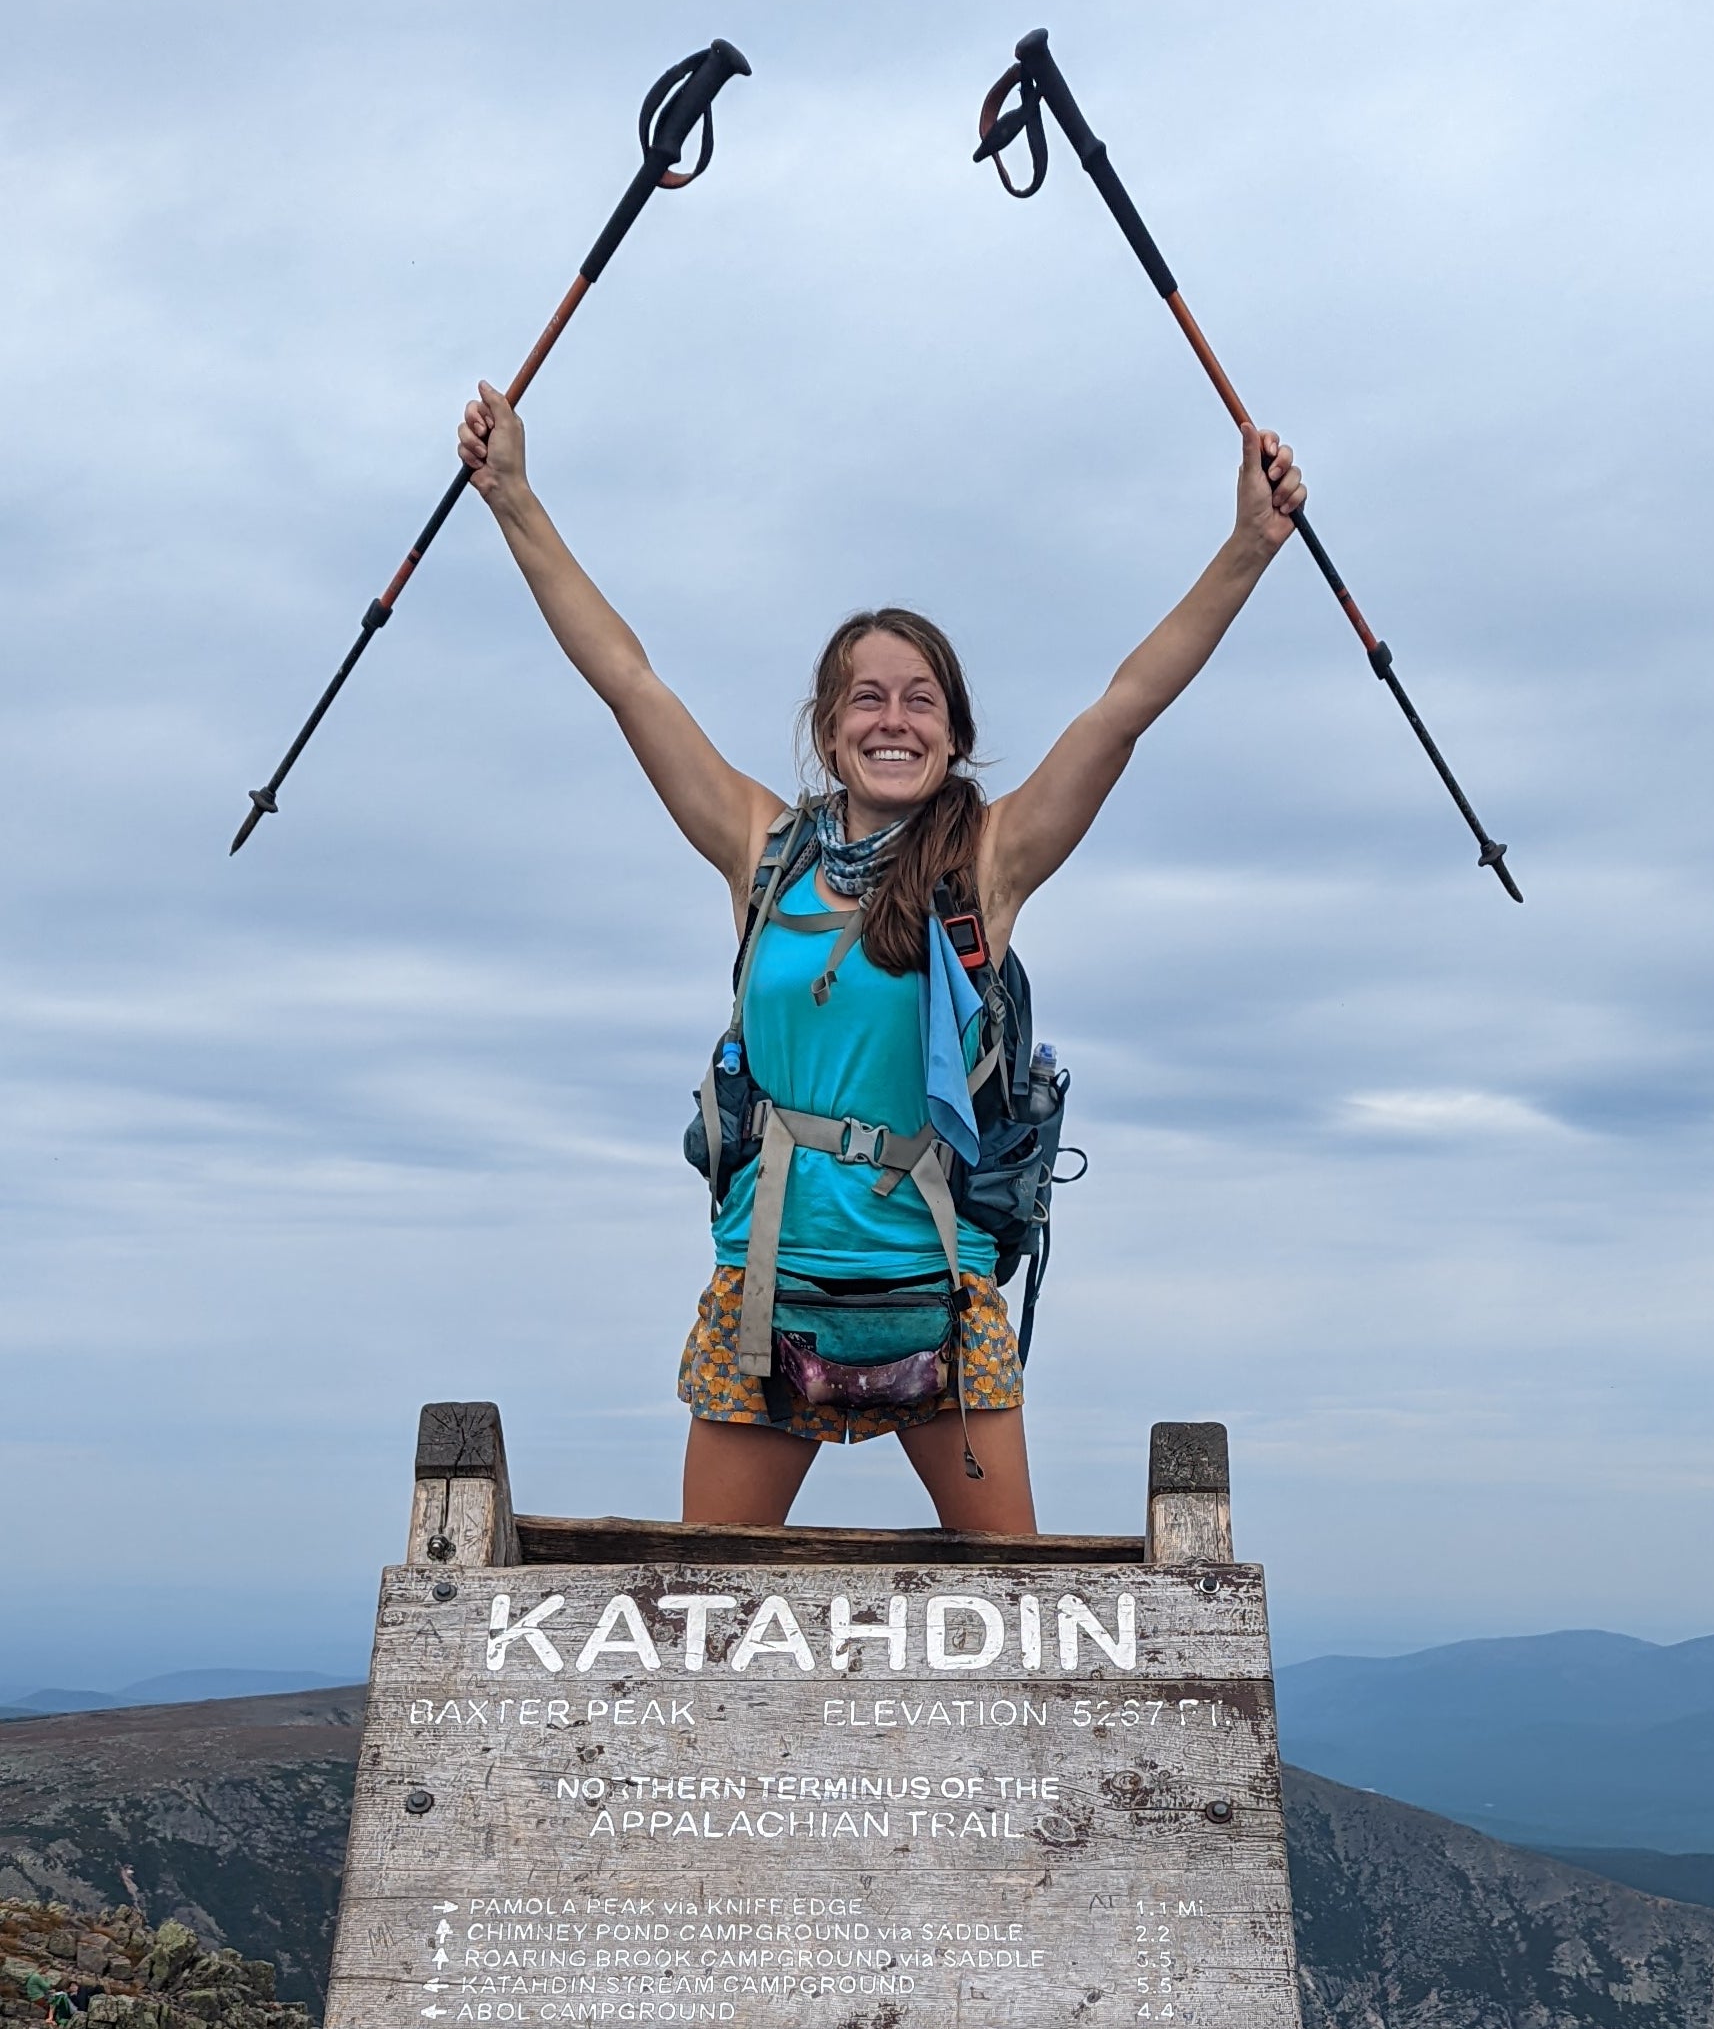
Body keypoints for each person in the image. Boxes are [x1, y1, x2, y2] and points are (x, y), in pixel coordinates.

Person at [459, 385, 1304, 1535]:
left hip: (937, 1296)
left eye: (920, 701)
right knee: (716, 1623)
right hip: (768, 1288)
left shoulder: (985, 865)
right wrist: (513, 497)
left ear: (953, 730)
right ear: (828, 726)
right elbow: (628, 678)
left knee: (1017, 1630)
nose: (893, 719)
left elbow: (1123, 710)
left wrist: (1247, 549)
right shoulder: (762, 849)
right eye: (867, 698)